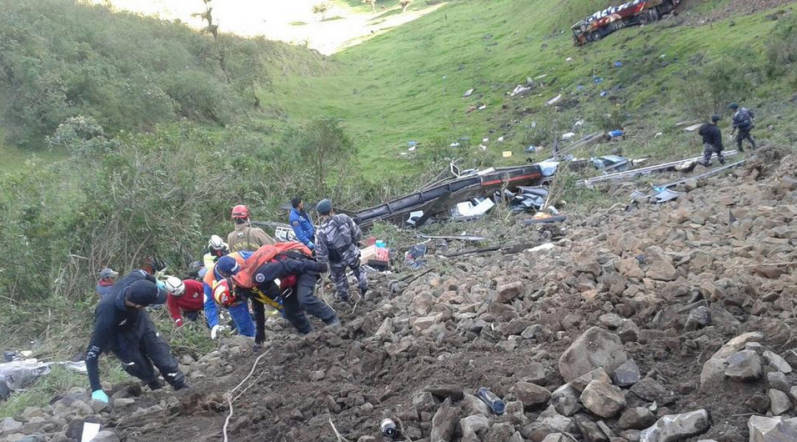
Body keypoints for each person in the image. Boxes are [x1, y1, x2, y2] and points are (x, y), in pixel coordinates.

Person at [85, 270, 187, 403]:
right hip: (118, 336)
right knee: (137, 365)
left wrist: (156, 282)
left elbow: (142, 272)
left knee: (161, 353)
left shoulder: (135, 279)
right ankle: (154, 385)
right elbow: (91, 354)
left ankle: (180, 385)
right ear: (139, 305)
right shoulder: (106, 315)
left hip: (140, 322)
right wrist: (96, 389)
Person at [227, 242, 339, 340]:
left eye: (237, 301)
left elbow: (288, 266)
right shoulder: (248, 285)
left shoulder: (257, 276)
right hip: (291, 276)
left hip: (303, 266)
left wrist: (318, 266)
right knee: (290, 311)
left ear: (236, 293)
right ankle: (309, 334)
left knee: (304, 298)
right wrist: (260, 334)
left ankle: (332, 320)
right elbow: (258, 308)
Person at [315, 199, 368, 302]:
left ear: (320, 214)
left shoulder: (320, 231)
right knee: (359, 271)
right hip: (351, 252)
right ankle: (365, 290)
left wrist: (324, 266)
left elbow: (321, 253)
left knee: (340, 280)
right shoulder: (344, 218)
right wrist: (353, 243)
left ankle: (346, 301)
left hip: (336, 260)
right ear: (331, 209)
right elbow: (357, 233)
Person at [202, 252, 256, 339]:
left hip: (249, 282)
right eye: (233, 273)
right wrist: (214, 324)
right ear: (224, 274)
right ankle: (250, 340)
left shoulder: (239, 257)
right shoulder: (209, 280)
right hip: (233, 298)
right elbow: (209, 304)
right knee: (244, 326)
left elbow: (260, 255)